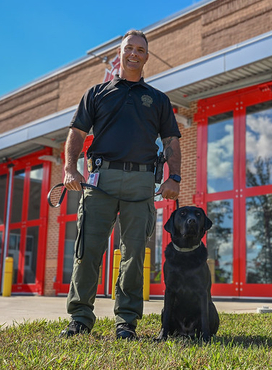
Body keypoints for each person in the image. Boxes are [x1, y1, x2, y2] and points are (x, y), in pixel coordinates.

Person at [60, 30, 182, 340]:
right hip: (101, 180)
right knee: (87, 250)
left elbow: (171, 140)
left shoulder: (157, 99)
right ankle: (80, 319)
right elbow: (76, 133)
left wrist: (174, 177)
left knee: (134, 255)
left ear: (146, 56)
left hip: (141, 181)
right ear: (120, 52)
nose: (134, 54)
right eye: (129, 48)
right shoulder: (97, 92)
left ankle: (126, 322)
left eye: (141, 49)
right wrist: (70, 168)